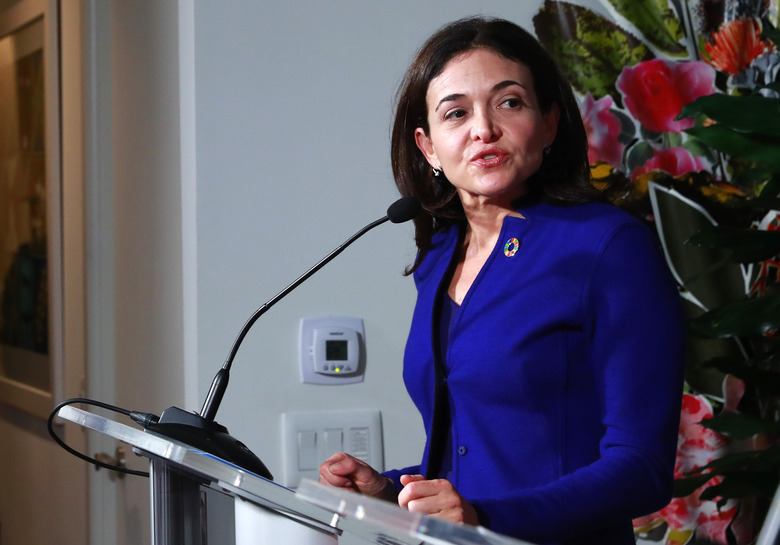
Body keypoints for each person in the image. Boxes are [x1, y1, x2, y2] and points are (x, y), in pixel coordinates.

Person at [319, 16, 686, 545]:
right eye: (456, 113)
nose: (483, 129)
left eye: (509, 102)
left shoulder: (608, 246)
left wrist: (485, 518)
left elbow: (643, 468)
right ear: (427, 147)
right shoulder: (439, 257)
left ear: (550, 122)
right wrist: (389, 491)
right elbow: (475, 457)